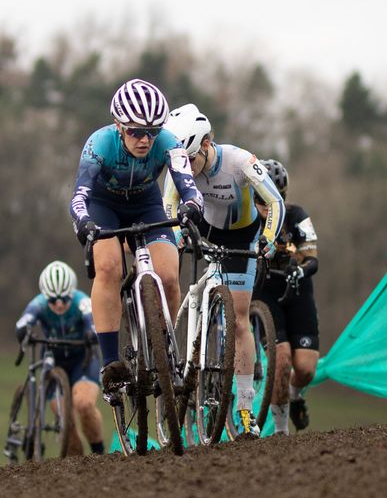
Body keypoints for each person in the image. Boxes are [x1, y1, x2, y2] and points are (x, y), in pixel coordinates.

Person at [69, 79, 204, 404]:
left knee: (169, 275)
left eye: (152, 132)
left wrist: (191, 207)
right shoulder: (99, 145)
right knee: (109, 268)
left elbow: (188, 186)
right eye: (135, 132)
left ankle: (164, 351)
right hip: (105, 208)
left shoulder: (169, 142)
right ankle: (110, 365)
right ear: (118, 126)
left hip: (146, 205)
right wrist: (84, 222)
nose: (145, 140)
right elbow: (80, 196)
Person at [162, 103, 284, 439]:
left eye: (193, 161)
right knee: (176, 279)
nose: (190, 170)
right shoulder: (181, 162)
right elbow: (168, 203)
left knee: (240, 316)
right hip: (201, 227)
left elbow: (274, 203)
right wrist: (177, 237)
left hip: (241, 235)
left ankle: (244, 410)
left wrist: (269, 240)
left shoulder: (239, 161)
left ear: (205, 144)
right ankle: (182, 362)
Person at [251, 159, 320, 436]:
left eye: (274, 199)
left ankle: (295, 394)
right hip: (265, 292)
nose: (267, 207)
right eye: (261, 199)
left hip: (297, 290)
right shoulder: (246, 219)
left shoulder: (296, 216)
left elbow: (312, 259)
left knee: (304, 369)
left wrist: (300, 269)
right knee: (281, 359)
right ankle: (281, 431)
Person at [15, 260, 105, 454]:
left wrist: (92, 331)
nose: (58, 304)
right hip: (53, 361)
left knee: (84, 405)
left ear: (71, 294)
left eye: (64, 299)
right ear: (45, 296)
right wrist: (23, 330)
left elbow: (93, 320)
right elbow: (24, 320)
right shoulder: (39, 303)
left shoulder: (81, 300)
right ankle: (78, 467)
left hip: (83, 359)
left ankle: (99, 454)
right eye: (53, 299)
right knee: (66, 420)